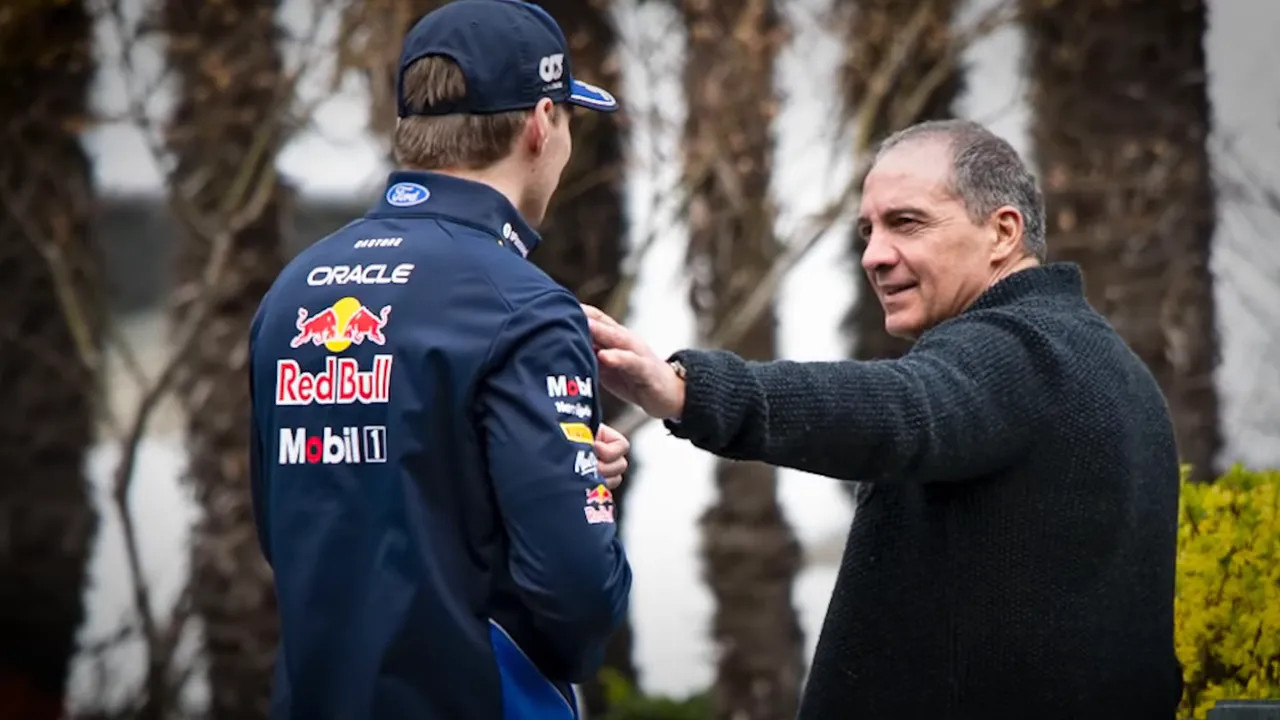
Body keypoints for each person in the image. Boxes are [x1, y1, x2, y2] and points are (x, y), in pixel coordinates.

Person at [585, 119, 1183, 719]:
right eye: (868, 230)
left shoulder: (1021, 352)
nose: (874, 256)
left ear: (1003, 232)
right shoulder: (1109, 366)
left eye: (907, 223)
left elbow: (901, 408)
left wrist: (686, 390)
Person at [246, 1, 632, 718]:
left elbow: (296, 524)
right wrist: (579, 490)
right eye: (569, 122)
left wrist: (551, 470)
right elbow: (578, 589)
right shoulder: (523, 304)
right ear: (541, 123)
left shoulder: (295, 288)